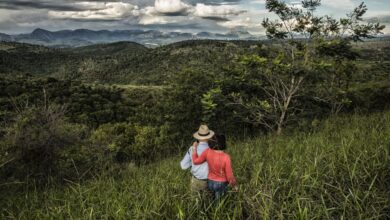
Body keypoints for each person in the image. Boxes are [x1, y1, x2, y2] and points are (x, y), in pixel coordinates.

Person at [192, 134, 238, 200]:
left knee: (211, 200)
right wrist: (234, 185)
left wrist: (194, 148)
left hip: (210, 182)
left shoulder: (207, 151)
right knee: (219, 205)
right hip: (221, 184)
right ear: (223, 143)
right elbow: (229, 176)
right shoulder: (226, 157)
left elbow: (195, 161)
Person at [180, 125, 215, 193]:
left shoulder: (192, 149)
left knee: (194, 202)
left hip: (195, 181)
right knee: (209, 202)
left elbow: (183, 166)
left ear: (198, 137)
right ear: (209, 137)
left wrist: (193, 163)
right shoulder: (214, 149)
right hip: (210, 181)